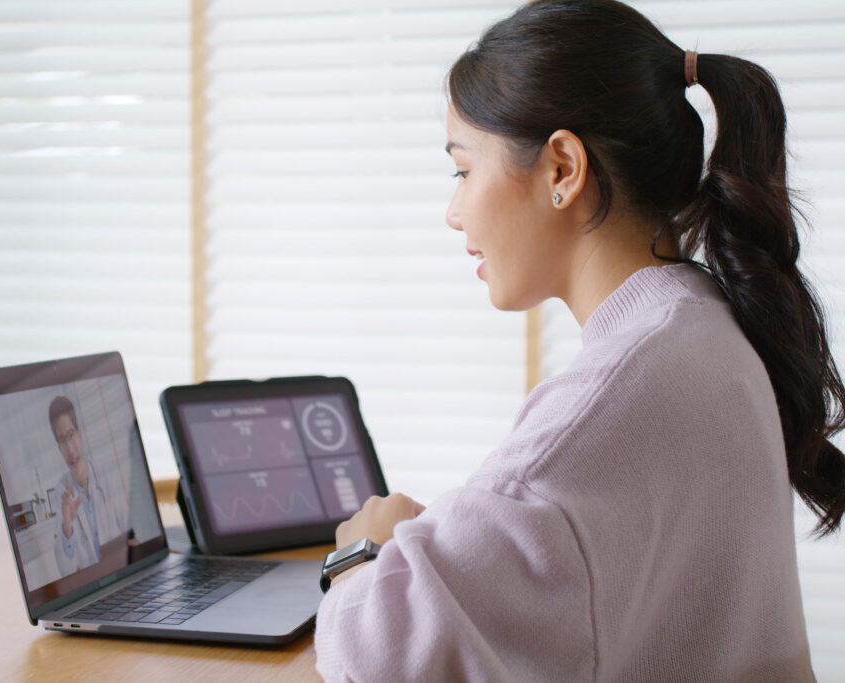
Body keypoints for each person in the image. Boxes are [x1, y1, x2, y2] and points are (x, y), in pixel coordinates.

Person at [313, 1, 845, 680]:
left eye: (463, 170)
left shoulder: (609, 401)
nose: (454, 212)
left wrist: (363, 551)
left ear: (564, 167)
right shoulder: (702, 325)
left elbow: (382, 657)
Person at [48, 395, 130, 576]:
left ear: (80, 435)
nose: (70, 449)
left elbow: (129, 530)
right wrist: (67, 525)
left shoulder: (107, 476)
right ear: (59, 448)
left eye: (71, 435)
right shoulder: (59, 495)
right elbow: (65, 569)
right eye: (62, 440)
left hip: (121, 574)